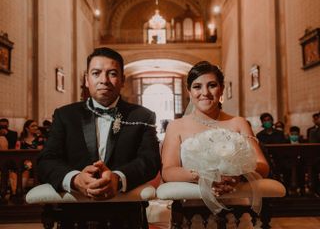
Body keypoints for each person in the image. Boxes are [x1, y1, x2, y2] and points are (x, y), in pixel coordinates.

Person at [37, 47, 161, 228]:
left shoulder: (142, 116)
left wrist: (118, 179)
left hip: (126, 215)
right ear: (87, 79)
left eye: (112, 74)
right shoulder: (65, 115)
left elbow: (149, 160)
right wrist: (75, 179)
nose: (104, 80)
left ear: (122, 80)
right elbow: (46, 161)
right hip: (75, 215)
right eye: (96, 73)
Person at [161, 61, 269, 214]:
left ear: (222, 89)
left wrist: (237, 174)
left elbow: (262, 166)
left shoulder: (238, 123)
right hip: (192, 211)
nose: (205, 92)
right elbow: (168, 171)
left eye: (212, 85)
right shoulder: (176, 126)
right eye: (197, 87)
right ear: (189, 91)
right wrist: (203, 176)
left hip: (236, 209)